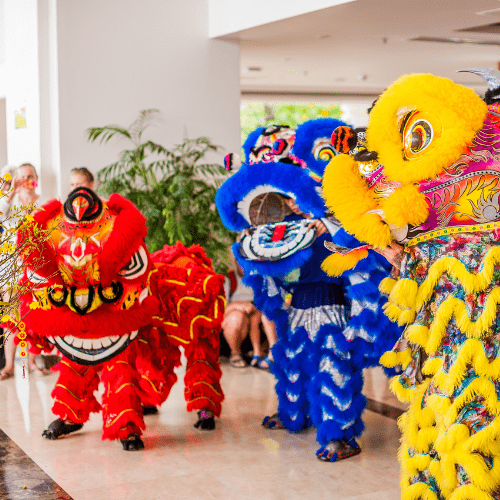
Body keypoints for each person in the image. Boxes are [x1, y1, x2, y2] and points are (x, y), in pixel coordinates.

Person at [0, 163, 48, 379]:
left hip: (37, 271)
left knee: (35, 317)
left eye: (31, 176)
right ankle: (10, 365)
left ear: (36, 179)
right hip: (11, 271)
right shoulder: (8, 205)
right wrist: (10, 196)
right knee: (10, 319)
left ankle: (33, 361)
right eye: (22, 177)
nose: (27, 181)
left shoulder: (46, 204)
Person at [222, 262, 277, 369]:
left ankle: (263, 352)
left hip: (255, 311)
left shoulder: (259, 278)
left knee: (268, 315)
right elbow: (221, 308)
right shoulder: (229, 279)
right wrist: (239, 305)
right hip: (235, 311)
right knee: (236, 318)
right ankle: (235, 352)